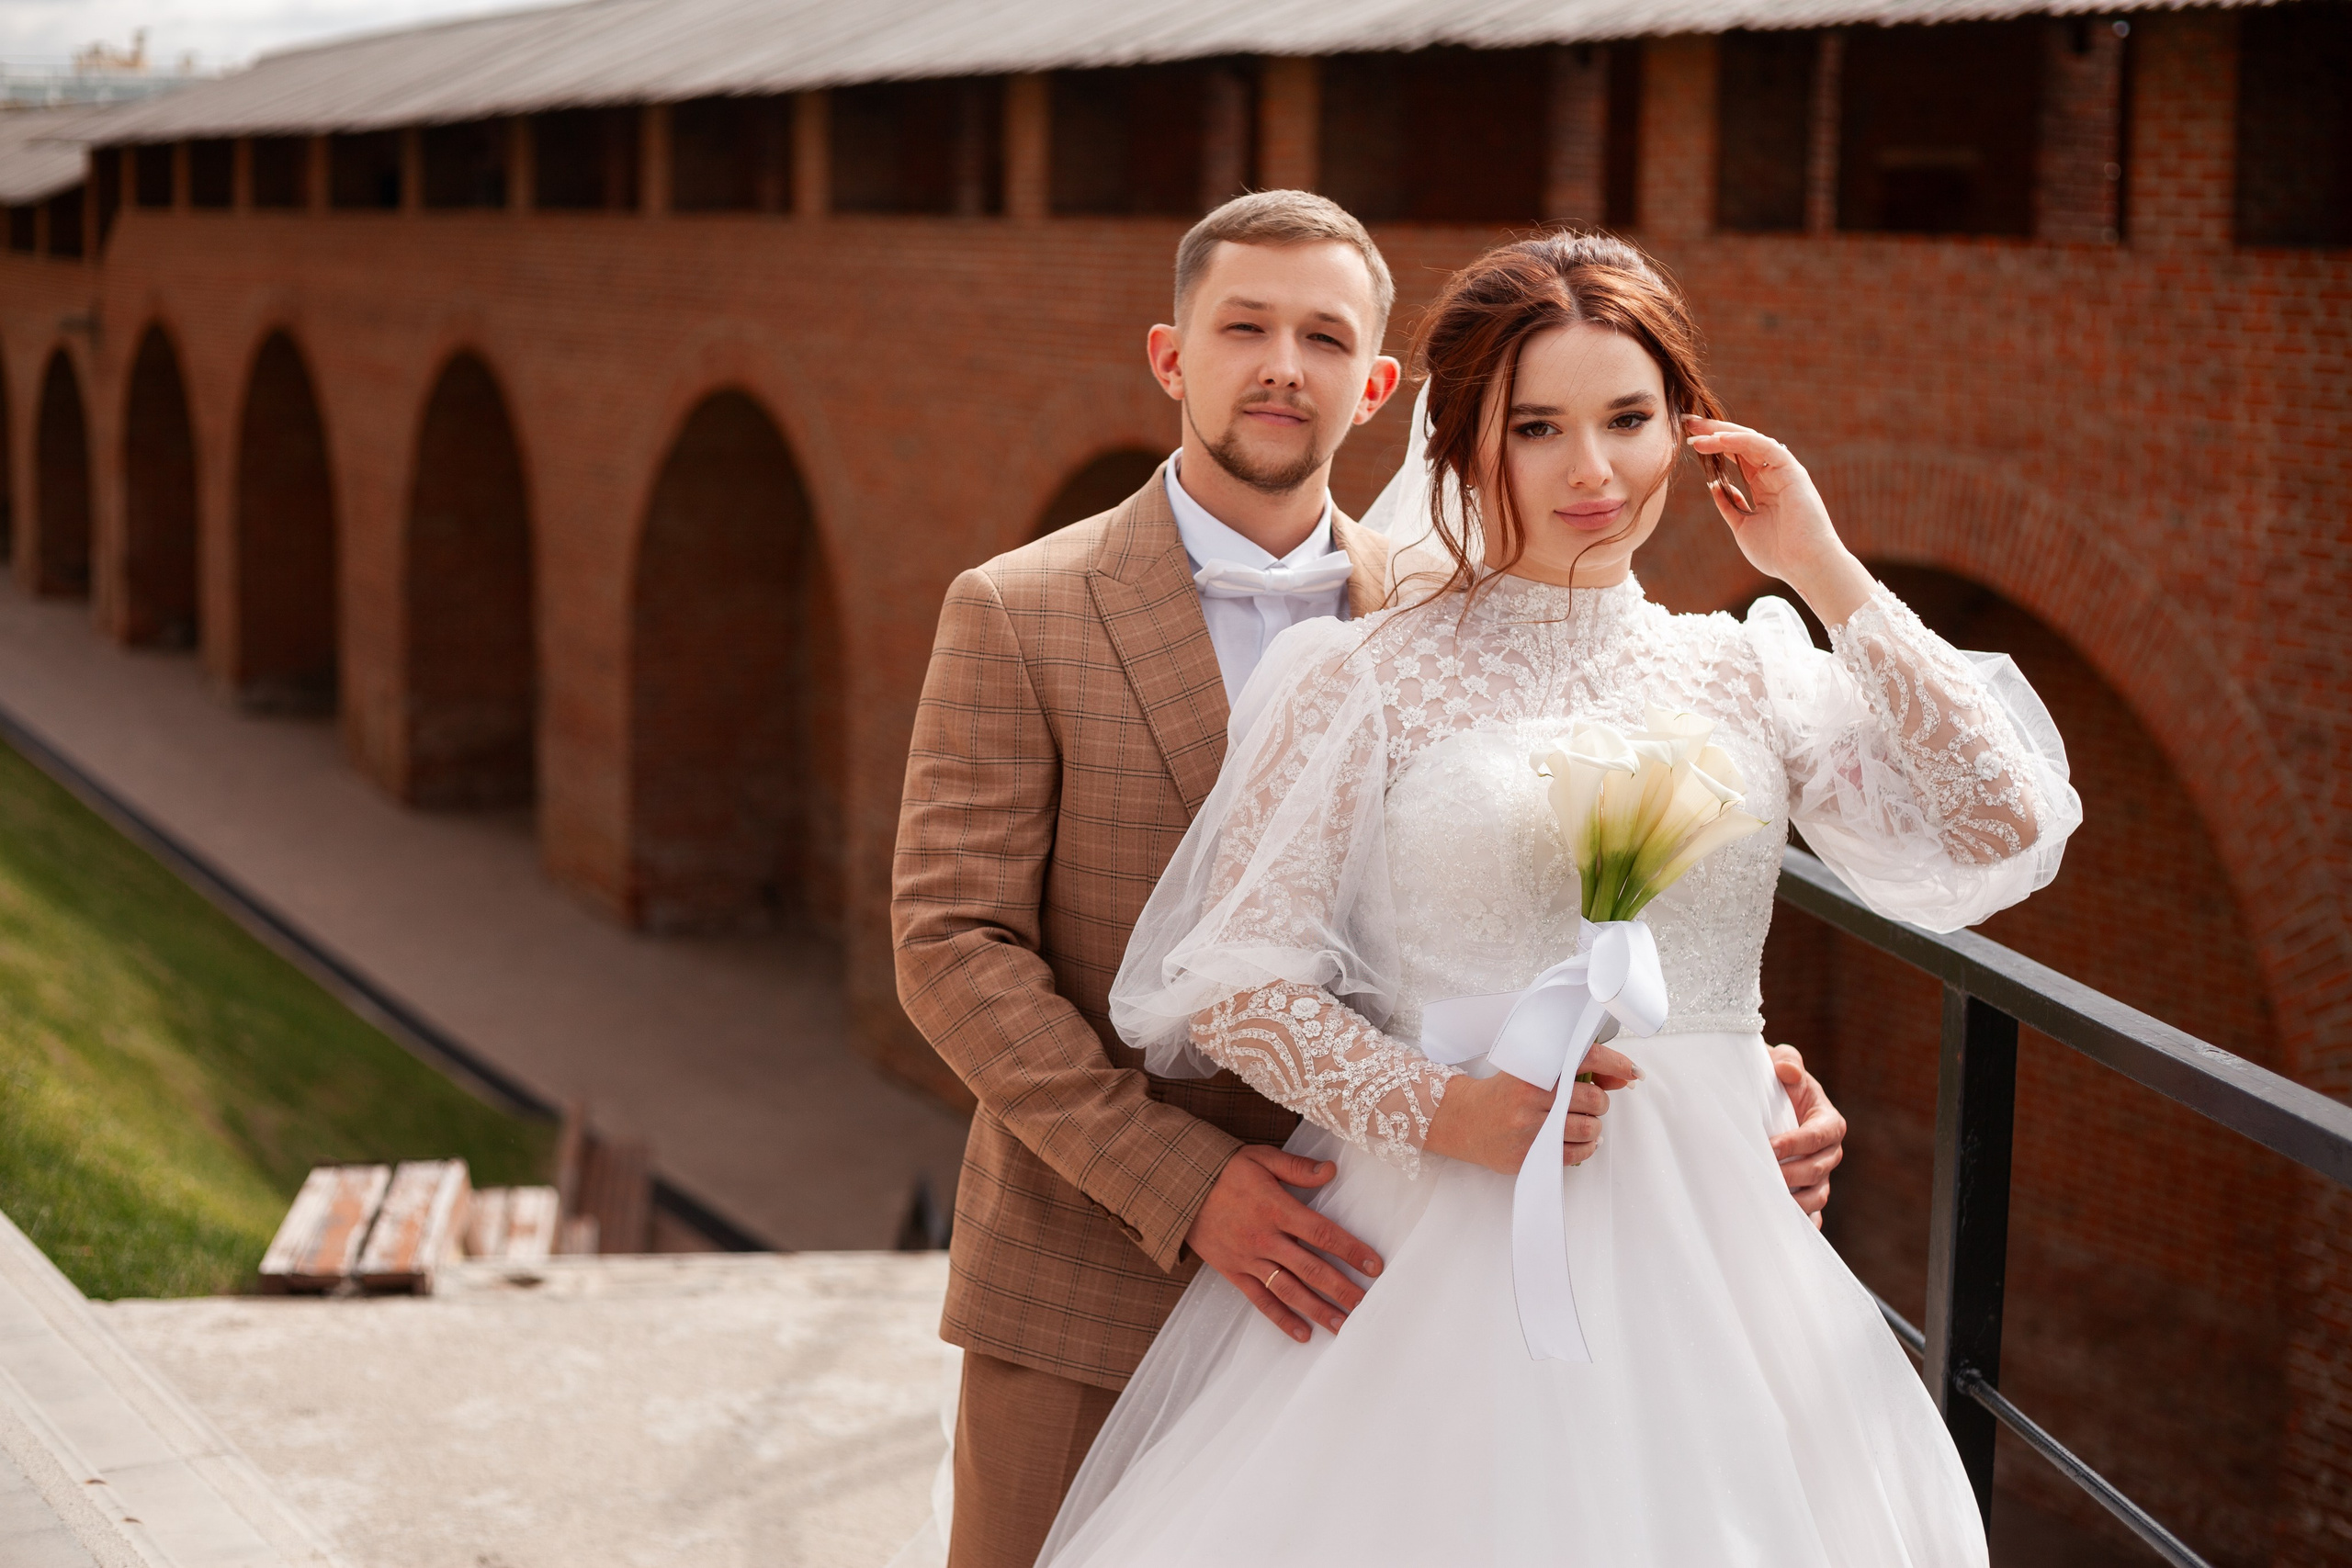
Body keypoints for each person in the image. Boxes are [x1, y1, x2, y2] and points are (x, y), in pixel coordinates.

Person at [1031, 230, 2084, 1566]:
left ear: (1685, 427)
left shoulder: (1743, 670)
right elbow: (1236, 984)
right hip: (1442, 1235)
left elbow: (1999, 821)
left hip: (1726, 1253)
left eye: (1629, 419)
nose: (1593, 471)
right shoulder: (1361, 676)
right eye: (1538, 428)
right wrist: (1446, 1110)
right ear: (1466, 442)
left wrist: (1821, 567)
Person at [891, 195, 1853, 1568]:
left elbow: (1534, 886)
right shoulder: (1018, 606)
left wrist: (1712, 1078)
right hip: (1097, 1256)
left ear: (1381, 387)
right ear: (1171, 356)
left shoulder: (1465, 607)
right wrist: (1187, 1184)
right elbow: (951, 947)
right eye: (1245, 328)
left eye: (1326, 338)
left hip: (1404, 1267)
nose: (1284, 366)